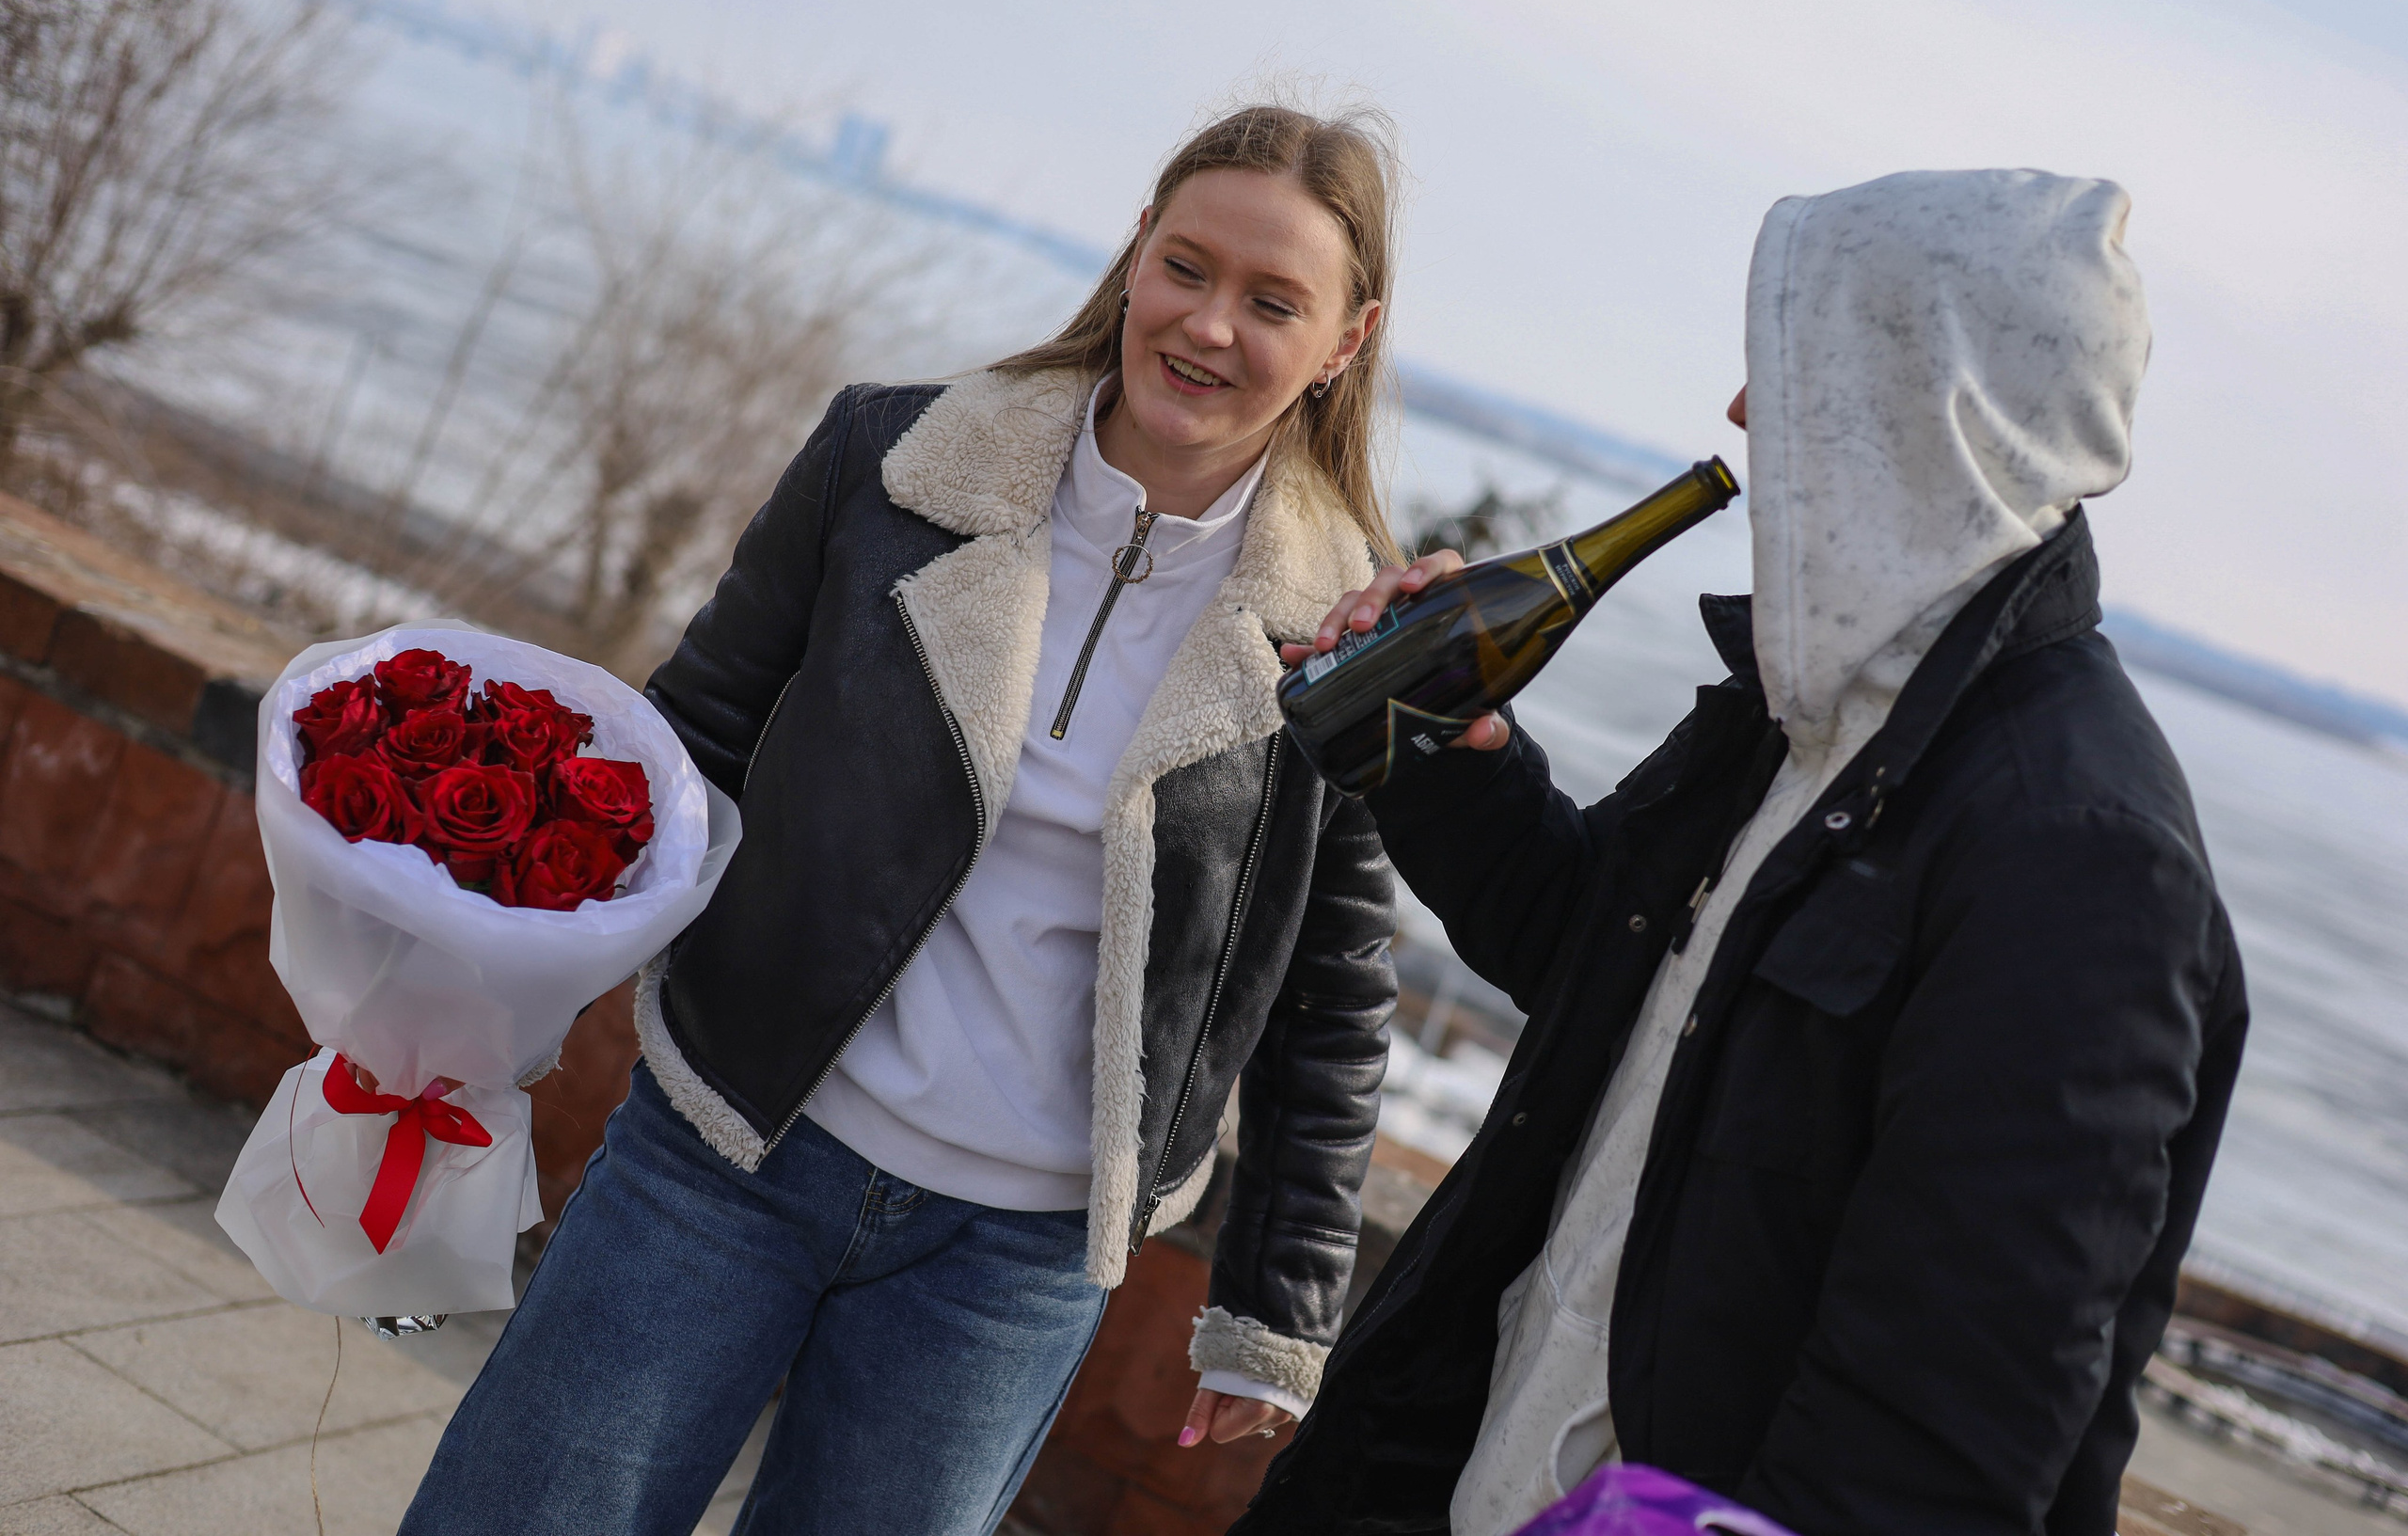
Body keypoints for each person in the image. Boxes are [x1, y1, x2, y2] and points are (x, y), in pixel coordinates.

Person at [400, 103, 1404, 1536]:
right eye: (1186, 267)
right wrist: (476, 1005)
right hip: (727, 1151)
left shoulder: (1357, 631)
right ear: (1136, 251)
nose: (1208, 325)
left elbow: (1332, 985)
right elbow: (689, 745)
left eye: (1272, 302)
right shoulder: (892, 457)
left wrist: (1280, 1304)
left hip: (1013, 1264)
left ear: (1346, 340)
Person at [1234, 169, 2249, 1536]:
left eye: (1793, 364)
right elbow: (1590, 964)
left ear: (1928, 410)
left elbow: (1944, 1441)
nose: (1740, 410)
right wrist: (1447, 759)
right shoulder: (1805, 714)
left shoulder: (2077, 858)